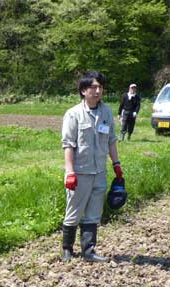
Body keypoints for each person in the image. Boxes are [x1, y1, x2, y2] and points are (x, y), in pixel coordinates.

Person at [61, 71, 123, 263]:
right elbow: (68, 145)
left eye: (100, 88)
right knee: (74, 211)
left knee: (94, 213)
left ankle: (89, 251)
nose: (97, 91)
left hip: (100, 172)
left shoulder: (106, 113)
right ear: (83, 90)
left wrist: (116, 164)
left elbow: (111, 140)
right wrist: (70, 172)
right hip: (80, 172)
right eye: (93, 87)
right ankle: (67, 249)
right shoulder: (74, 114)